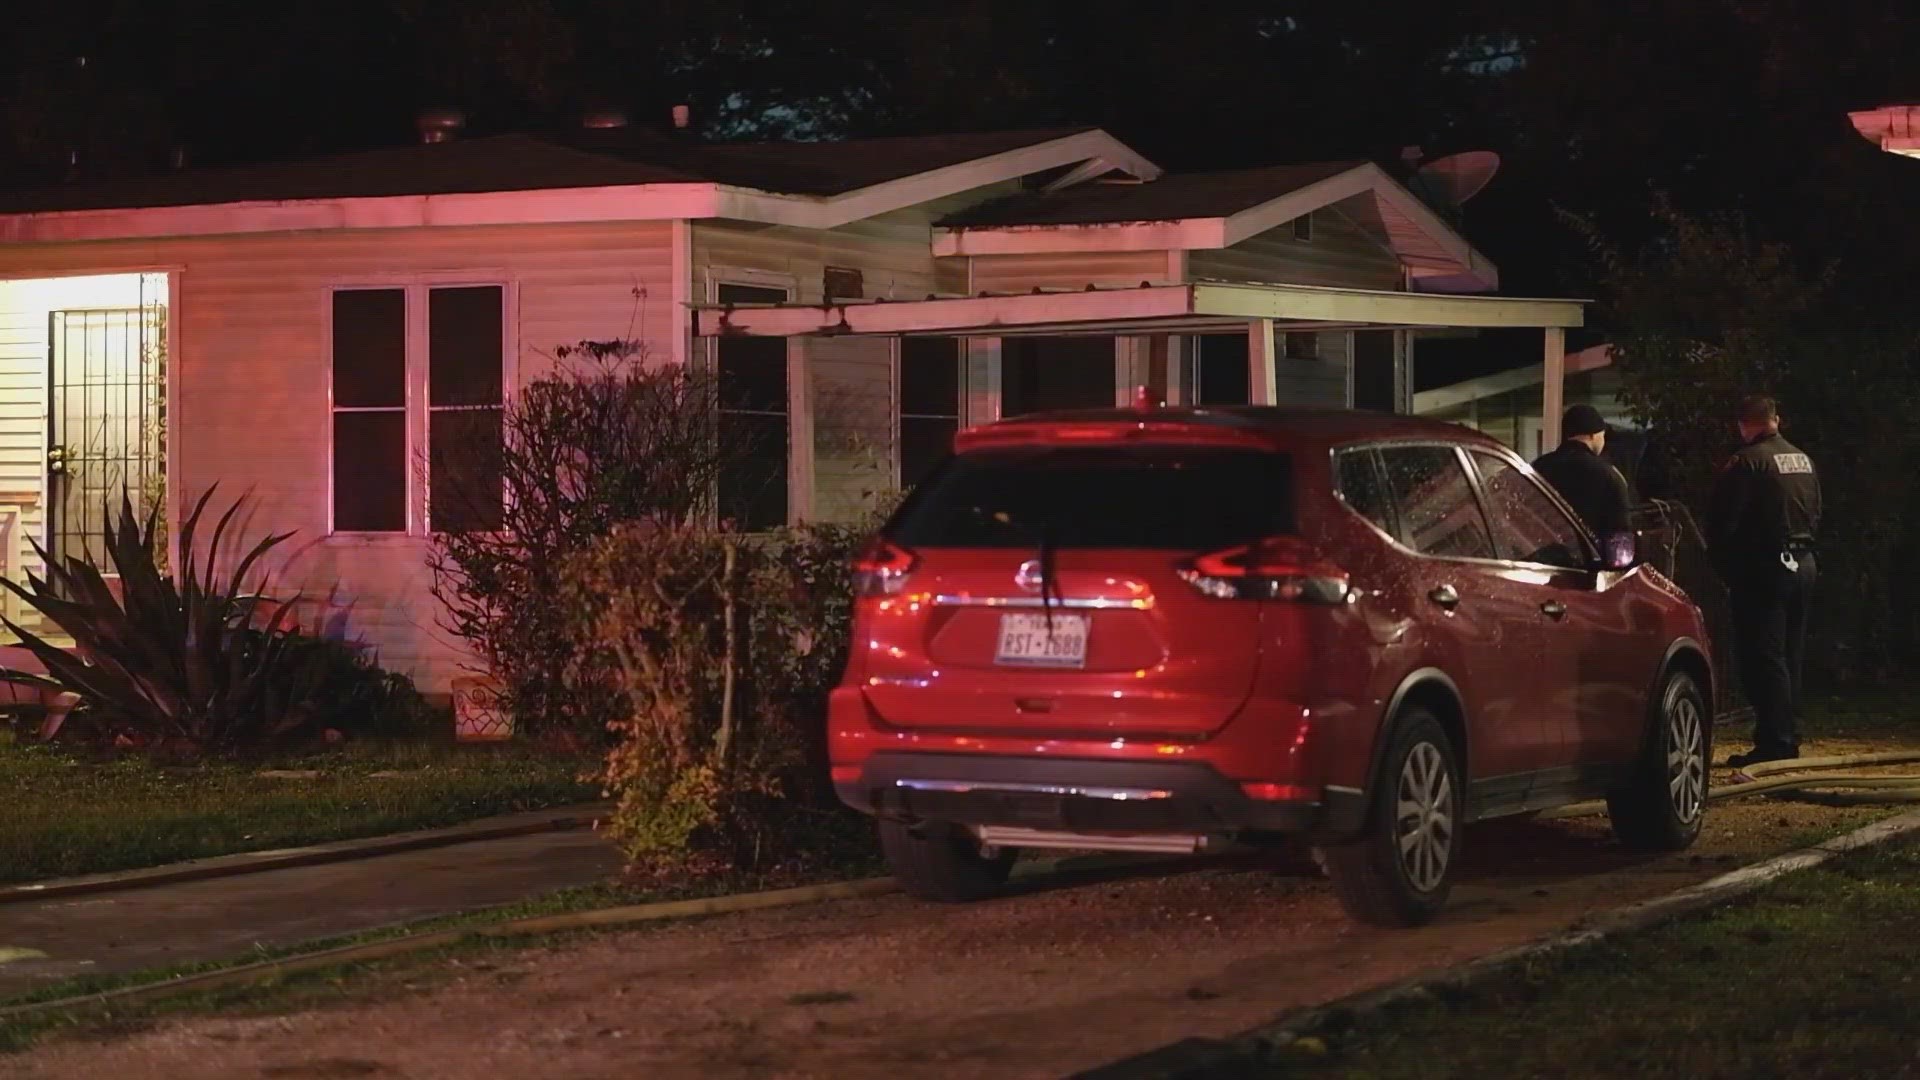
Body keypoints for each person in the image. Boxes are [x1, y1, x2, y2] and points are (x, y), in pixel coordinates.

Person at [1706, 394, 1821, 769]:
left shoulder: (1747, 463)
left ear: (1743, 425)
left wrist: (1726, 568)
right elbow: (1817, 510)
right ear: (1777, 419)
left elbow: (1724, 524)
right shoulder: (1801, 459)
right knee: (1791, 654)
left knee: (1764, 658)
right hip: (1803, 562)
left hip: (1764, 569)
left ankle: (1776, 742)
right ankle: (1790, 732)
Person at [1532, 404, 1634, 539]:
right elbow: (1620, 533)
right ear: (1593, 436)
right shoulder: (1608, 474)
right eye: (1602, 435)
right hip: (1589, 557)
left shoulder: (1538, 467)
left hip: (1540, 554)